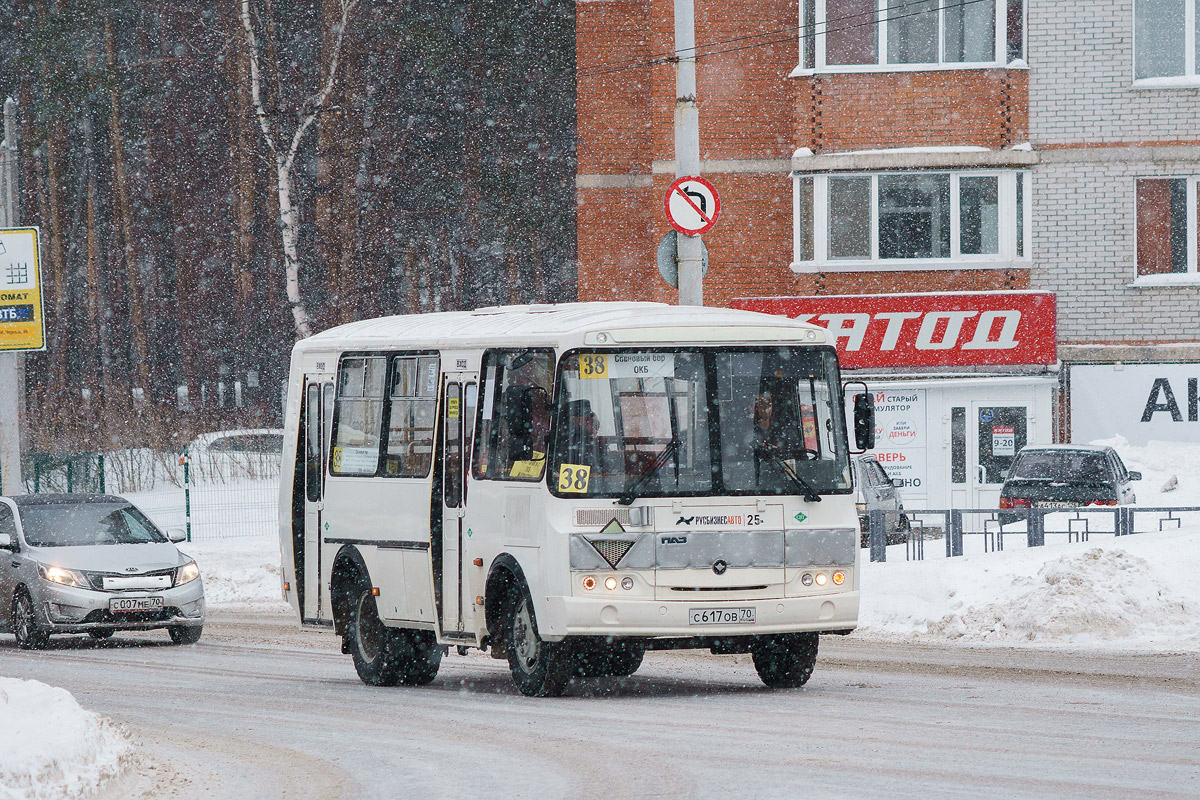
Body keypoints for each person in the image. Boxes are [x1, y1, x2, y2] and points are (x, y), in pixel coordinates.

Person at [560, 399, 603, 468]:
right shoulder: (573, 439)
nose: (594, 429)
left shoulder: (592, 442)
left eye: (595, 425)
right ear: (572, 420)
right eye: (587, 420)